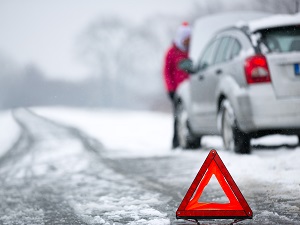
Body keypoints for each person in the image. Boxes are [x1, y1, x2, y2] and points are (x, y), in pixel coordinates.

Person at [163, 22, 191, 149]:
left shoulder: (192, 50)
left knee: (190, 114)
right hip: (177, 90)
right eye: (186, 39)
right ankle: (176, 142)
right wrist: (171, 89)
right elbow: (167, 72)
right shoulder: (171, 52)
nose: (187, 41)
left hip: (191, 89)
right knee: (178, 116)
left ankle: (191, 140)